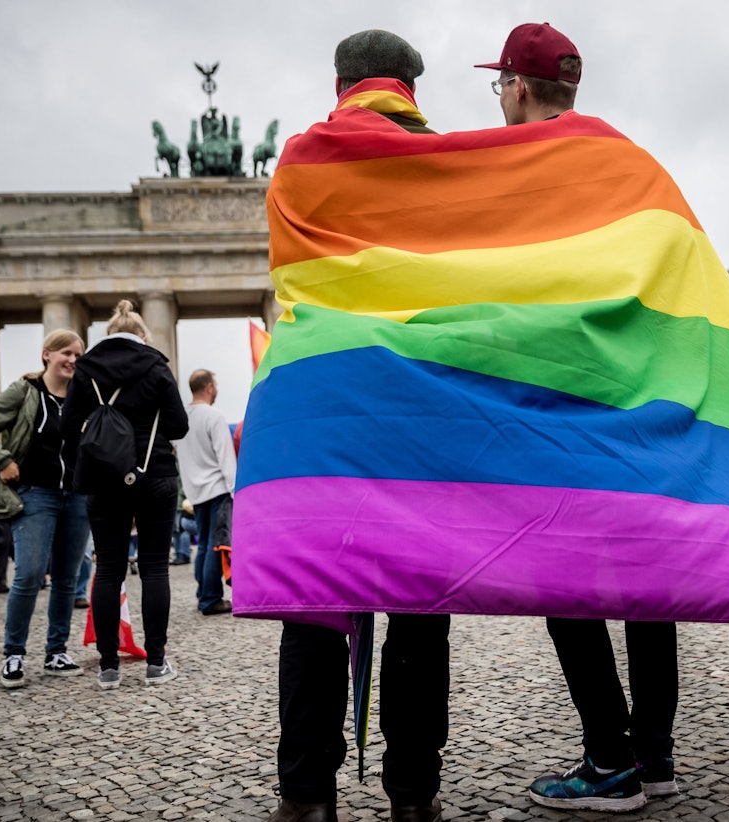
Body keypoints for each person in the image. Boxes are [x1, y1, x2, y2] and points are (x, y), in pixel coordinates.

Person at [476, 22, 678, 813]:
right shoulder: (632, 164)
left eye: (498, 85)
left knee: (565, 584)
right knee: (647, 587)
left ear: (520, 88)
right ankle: (655, 756)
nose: (498, 98)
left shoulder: (514, 171)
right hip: (637, 411)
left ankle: (609, 759)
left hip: (558, 414)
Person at [264, 31, 450, 822]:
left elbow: (289, 274)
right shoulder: (453, 160)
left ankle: (308, 796)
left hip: (322, 407)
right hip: (422, 410)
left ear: (339, 83)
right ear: (411, 85)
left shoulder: (301, 161)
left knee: (315, 609)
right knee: (418, 614)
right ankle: (413, 794)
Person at [61, 300, 189, 690]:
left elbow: (67, 427)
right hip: (155, 476)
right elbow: (179, 426)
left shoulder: (86, 370)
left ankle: (108, 667)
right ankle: (156, 663)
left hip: (104, 478)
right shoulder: (156, 366)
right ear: (143, 335)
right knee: (153, 568)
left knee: (109, 570)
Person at [0, 328, 90, 688]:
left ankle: (56, 651)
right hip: (35, 494)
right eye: (66, 353)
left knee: (68, 579)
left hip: (78, 496)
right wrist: (1, 460)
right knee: (30, 575)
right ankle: (14, 654)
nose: (72, 360)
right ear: (47, 354)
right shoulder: (25, 392)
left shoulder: (84, 396)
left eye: (78, 356)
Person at [172, 369, 235, 616]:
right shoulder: (214, 416)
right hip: (218, 488)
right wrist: (234, 489)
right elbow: (225, 456)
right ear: (209, 387)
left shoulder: (182, 417)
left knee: (205, 543)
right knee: (216, 544)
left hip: (195, 491)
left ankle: (203, 594)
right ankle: (210, 598)